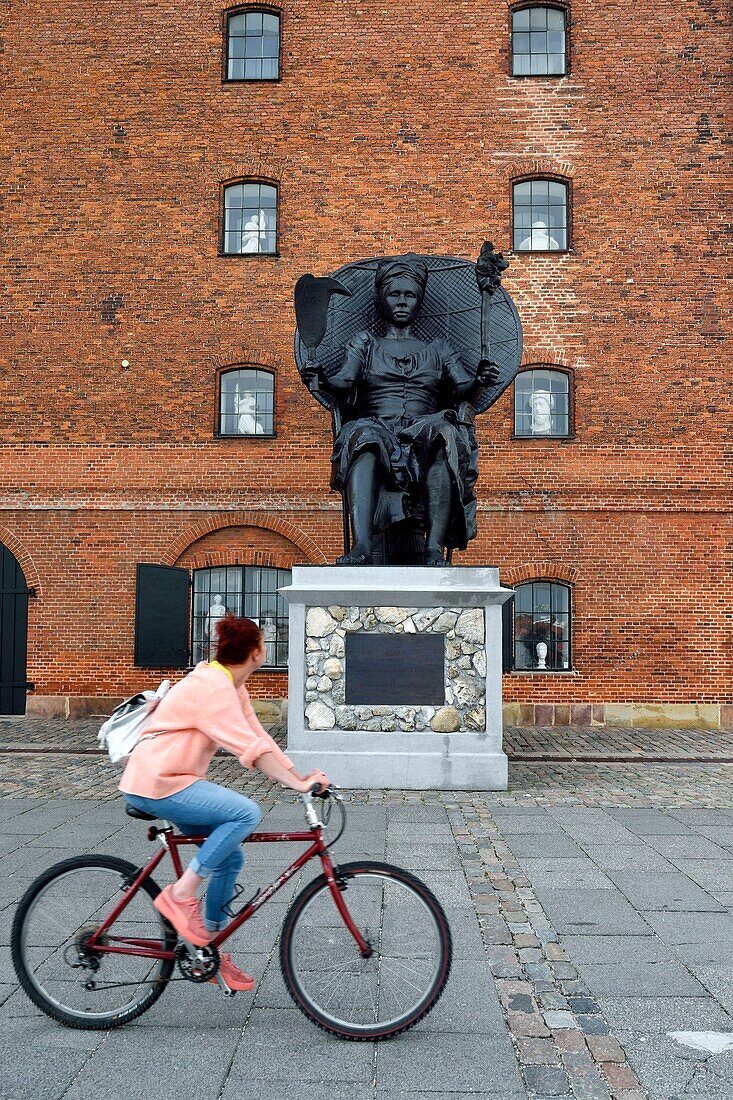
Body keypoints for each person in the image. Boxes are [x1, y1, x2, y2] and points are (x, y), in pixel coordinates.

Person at [120, 615, 329, 992]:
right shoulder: (213, 686)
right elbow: (247, 749)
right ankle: (180, 895)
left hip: (174, 779)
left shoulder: (231, 686)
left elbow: (259, 737)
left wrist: (298, 777)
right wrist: (298, 785)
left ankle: (208, 949)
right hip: (157, 781)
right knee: (244, 813)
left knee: (230, 857)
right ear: (256, 653)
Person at [312, 254, 499, 566]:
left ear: (419, 301)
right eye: (394, 294)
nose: (401, 301)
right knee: (362, 437)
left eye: (409, 295)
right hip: (378, 425)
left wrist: (479, 378)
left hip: (424, 428)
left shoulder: (440, 348)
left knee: (446, 435)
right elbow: (343, 382)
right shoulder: (365, 343)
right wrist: (322, 379)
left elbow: (463, 388)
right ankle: (361, 548)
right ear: (382, 299)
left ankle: (433, 550)